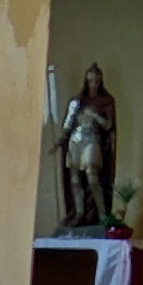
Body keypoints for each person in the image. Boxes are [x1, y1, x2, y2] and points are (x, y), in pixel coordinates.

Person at [58, 62, 117, 230]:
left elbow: (109, 126)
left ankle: (102, 214)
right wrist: (60, 139)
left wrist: (96, 116)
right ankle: (79, 213)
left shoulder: (106, 101)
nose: (94, 84)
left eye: (97, 81)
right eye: (91, 80)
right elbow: (68, 123)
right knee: (75, 179)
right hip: (75, 140)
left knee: (92, 176)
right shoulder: (76, 101)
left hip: (92, 139)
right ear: (86, 81)